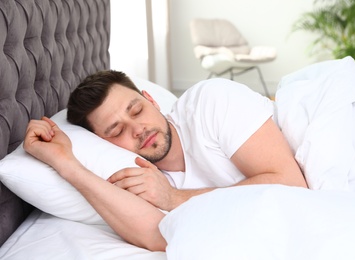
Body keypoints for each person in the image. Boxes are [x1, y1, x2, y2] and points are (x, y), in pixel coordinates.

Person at [23, 70, 307, 251]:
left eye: (136, 110)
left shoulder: (210, 101)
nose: (138, 129)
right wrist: (65, 163)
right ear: (103, 144)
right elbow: (155, 238)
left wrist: (174, 198)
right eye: (117, 131)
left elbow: (292, 184)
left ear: (152, 100)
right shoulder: (139, 178)